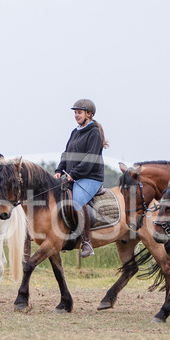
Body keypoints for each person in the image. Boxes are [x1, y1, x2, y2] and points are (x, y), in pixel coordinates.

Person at [54, 98, 107, 258]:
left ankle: (87, 243)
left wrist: (73, 174)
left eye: (79, 112)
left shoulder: (94, 133)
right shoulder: (75, 132)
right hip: (72, 176)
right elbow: (66, 153)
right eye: (75, 113)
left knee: (77, 200)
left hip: (91, 177)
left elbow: (90, 159)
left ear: (89, 114)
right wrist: (59, 170)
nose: (76, 115)